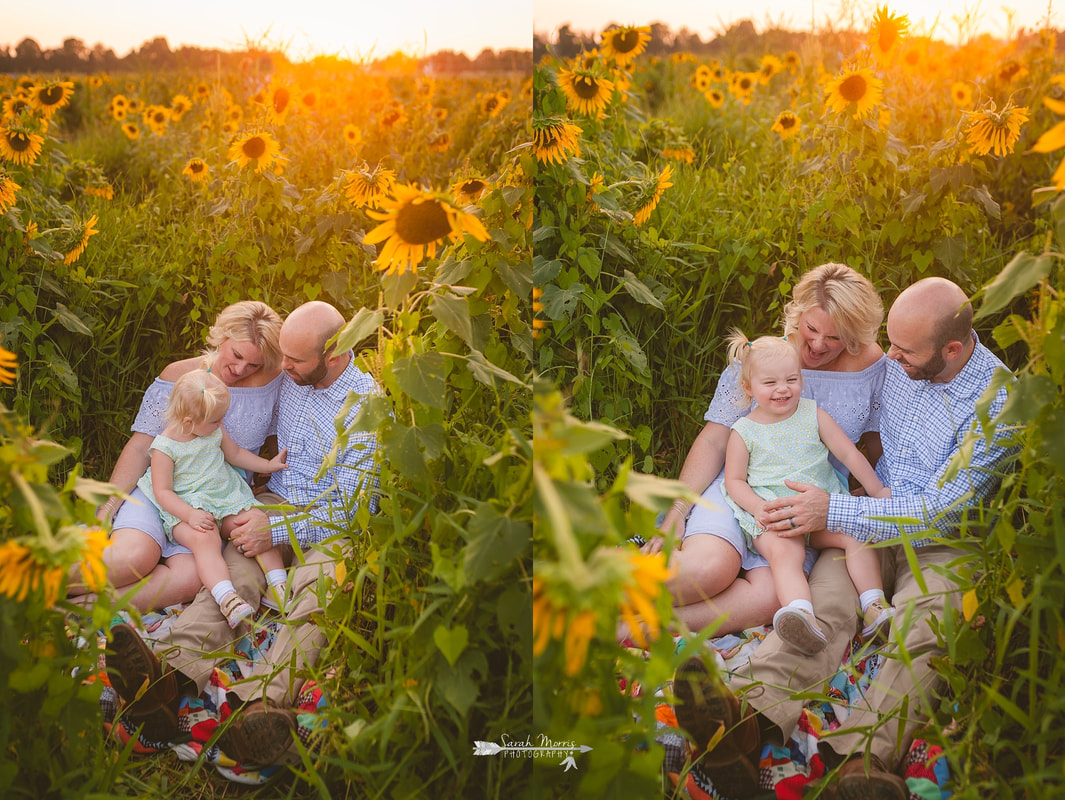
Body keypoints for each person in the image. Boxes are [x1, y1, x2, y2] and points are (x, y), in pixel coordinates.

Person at [672, 278, 1018, 798]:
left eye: (903, 350)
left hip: (944, 539)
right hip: (865, 519)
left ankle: (863, 760)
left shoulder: (999, 402)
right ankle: (746, 718)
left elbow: (946, 512)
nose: (889, 358)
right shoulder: (901, 365)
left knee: (924, 625)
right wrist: (844, 503)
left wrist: (835, 506)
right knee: (825, 607)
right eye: (891, 343)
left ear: (951, 348)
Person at [105, 300, 382, 766]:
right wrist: (261, 519)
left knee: (316, 592)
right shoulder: (292, 380)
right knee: (232, 581)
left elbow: (357, 510)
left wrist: (278, 529)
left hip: (330, 522)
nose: (281, 368)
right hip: (270, 503)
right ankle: (167, 673)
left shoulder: (367, 407)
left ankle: (262, 707)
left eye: (292, 360)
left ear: (333, 354)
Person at [640, 263, 887, 635]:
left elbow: (873, 443)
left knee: (772, 597)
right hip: (739, 486)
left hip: (805, 502)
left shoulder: (871, 364)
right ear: (798, 313)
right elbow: (715, 438)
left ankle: (636, 629)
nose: (819, 345)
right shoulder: (764, 359)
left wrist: (864, 493)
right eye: (812, 329)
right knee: (710, 571)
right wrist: (679, 508)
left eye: (836, 338)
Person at [69, 300, 284, 611]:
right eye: (236, 355)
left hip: (214, 503)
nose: (240, 370)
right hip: (161, 490)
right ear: (221, 336)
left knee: (190, 578)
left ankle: (76, 610)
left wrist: (268, 480)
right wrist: (109, 506)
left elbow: (282, 437)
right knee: (135, 558)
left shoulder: (272, 382)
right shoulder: (181, 377)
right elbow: (142, 448)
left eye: (253, 364)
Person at [719, 331, 893, 656]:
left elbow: (850, 455)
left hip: (821, 510)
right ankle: (800, 613)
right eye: (770, 383)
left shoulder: (812, 414)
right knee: (786, 554)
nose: (783, 389)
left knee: (857, 532)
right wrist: (758, 508)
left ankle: (874, 606)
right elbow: (735, 481)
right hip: (776, 516)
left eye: (792, 379)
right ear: (748, 388)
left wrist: (877, 490)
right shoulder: (744, 431)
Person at [136, 369, 290, 628]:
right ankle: (227, 598)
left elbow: (236, 454)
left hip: (224, 498)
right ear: (188, 422)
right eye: (215, 421)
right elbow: (163, 492)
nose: (220, 424)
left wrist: (268, 465)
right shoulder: (164, 447)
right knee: (205, 538)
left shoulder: (212, 428)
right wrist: (189, 515)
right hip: (187, 509)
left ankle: (279, 585)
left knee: (256, 520)